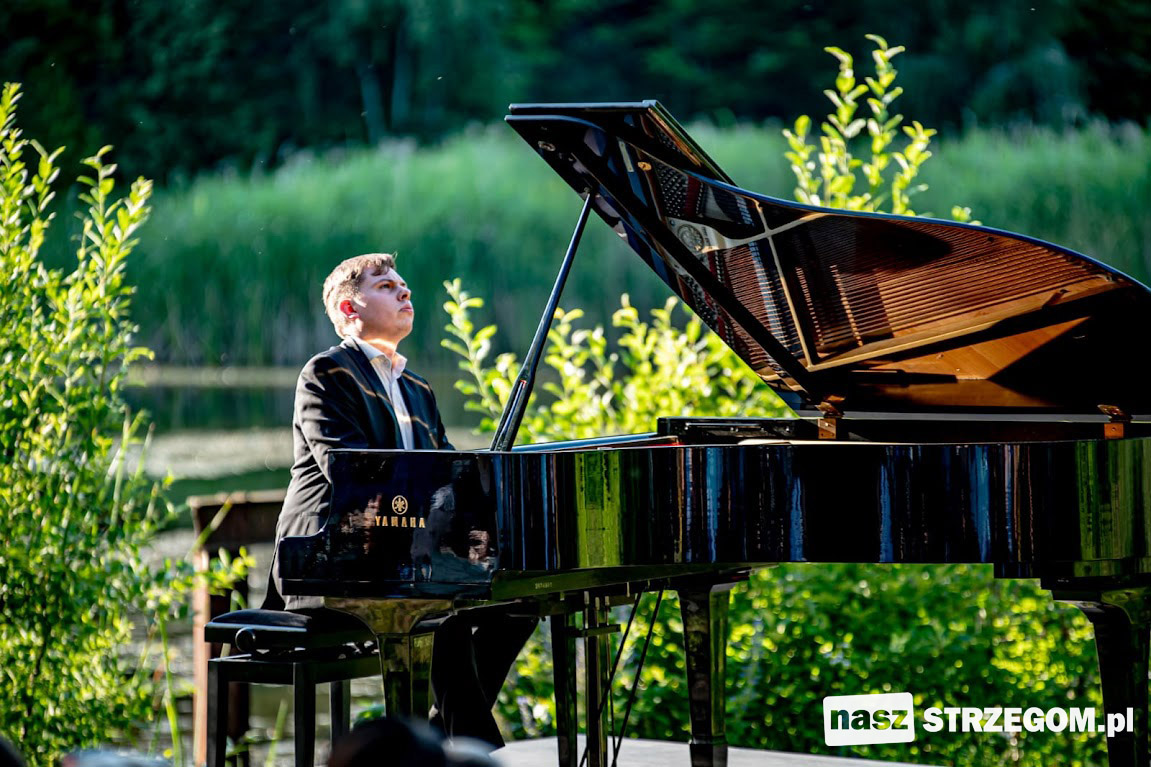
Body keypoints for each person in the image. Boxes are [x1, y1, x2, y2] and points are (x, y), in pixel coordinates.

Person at [267, 253, 536, 747]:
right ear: (350, 309)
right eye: (386, 286)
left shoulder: (417, 387)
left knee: (522, 599)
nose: (404, 292)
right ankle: (479, 749)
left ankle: (437, 738)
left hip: (404, 558)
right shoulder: (326, 373)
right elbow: (349, 474)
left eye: (403, 285)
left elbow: (447, 476)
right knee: (435, 607)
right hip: (328, 559)